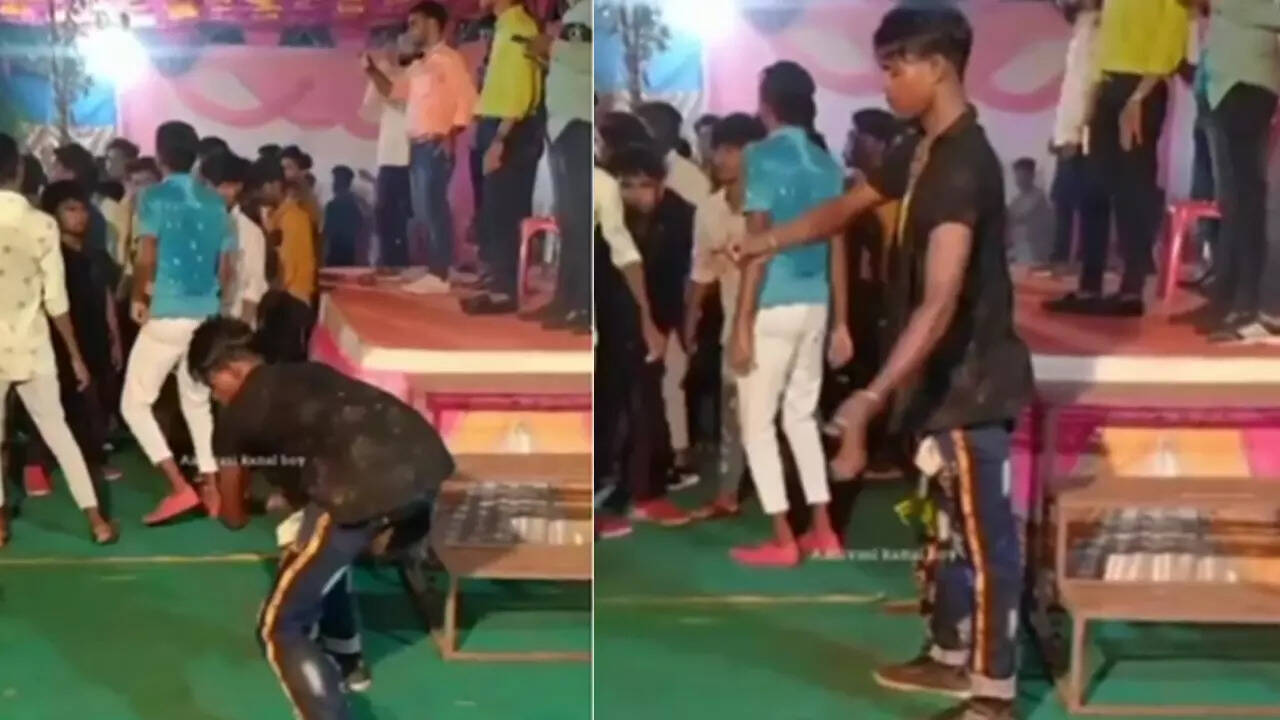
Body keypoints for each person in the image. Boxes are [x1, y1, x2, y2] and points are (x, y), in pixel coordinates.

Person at [734, 8, 1033, 718]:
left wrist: (871, 395)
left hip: (971, 384)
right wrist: (765, 242)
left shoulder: (964, 163)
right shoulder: (919, 148)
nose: (887, 83)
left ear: (939, 67)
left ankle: (994, 692)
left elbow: (940, 300)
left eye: (896, 69)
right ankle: (948, 654)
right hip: (934, 384)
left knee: (984, 541)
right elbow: (845, 209)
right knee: (941, 531)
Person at [189, 315, 455, 718]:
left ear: (228, 369)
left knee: (280, 627)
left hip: (362, 489)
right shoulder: (309, 372)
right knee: (318, 547)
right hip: (427, 467)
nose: (216, 397)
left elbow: (233, 517)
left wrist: (224, 499)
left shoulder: (235, 418)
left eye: (213, 386)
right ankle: (348, 663)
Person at [722, 62, 845, 568]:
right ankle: (824, 531)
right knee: (801, 417)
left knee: (757, 423)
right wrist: (842, 321)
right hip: (816, 302)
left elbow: (758, 243)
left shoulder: (761, 155)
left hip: (772, 302)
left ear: (766, 104)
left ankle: (783, 538)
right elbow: (837, 244)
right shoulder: (826, 162)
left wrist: (741, 322)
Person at [0, 134, 116, 547]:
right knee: (59, 432)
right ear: (18, 170)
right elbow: (56, 301)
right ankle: (95, 518)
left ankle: (0, 522)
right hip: (34, 346)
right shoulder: (43, 224)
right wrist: (76, 356)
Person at [121, 120, 237, 525]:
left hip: (167, 312)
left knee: (134, 404)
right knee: (197, 402)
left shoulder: (153, 198)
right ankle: (212, 489)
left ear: (160, 155)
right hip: (205, 314)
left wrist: (139, 297)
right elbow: (226, 269)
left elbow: (147, 256)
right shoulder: (215, 203)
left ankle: (179, 487)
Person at [1045, 0, 1189, 317]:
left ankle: (1131, 290)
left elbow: (1171, 36)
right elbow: (1107, 35)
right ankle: (1089, 285)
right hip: (1106, 83)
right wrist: (1094, 96)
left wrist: (1138, 97)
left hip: (1143, 86)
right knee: (1092, 187)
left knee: (1132, 189)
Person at [603, 144, 694, 527]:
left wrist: (666, 328)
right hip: (611, 320)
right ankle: (619, 493)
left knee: (645, 403)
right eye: (627, 185)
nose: (637, 195)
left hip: (653, 321)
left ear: (660, 184)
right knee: (619, 405)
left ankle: (643, 491)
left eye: (645, 185)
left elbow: (679, 279)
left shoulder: (678, 216)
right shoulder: (607, 214)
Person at [683, 113, 766, 520]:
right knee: (733, 414)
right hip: (735, 326)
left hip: (778, 325)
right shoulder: (709, 210)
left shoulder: (774, 206)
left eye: (732, 150)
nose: (720, 158)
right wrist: (690, 323)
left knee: (787, 415)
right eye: (718, 149)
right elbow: (701, 273)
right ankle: (728, 494)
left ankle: (798, 498)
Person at [364, 1, 478, 283]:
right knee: (424, 211)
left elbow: (467, 102)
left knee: (434, 207)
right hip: (415, 146)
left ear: (432, 24)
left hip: (435, 143)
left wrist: (450, 137)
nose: (410, 30)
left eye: (414, 23)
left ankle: (440, 274)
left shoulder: (449, 60)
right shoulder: (419, 64)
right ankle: (434, 272)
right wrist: (372, 71)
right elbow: (394, 92)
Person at [1197, 0, 1280, 343]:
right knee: (1237, 202)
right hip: (1227, 86)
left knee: (1248, 200)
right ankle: (1239, 303)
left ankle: (1256, 309)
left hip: (1248, 84)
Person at [35, 181, 124, 492]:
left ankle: (92, 458)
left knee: (94, 400)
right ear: (53, 214)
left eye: (83, 208)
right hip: (61, 338)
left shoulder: (96, 255)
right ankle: (49, 463)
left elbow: (106, 296)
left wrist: (114, 335)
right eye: (70, 209)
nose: (80, 216)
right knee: (62, 402)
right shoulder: (51, 256)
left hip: (95, 335)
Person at [462, 0, 546, 315]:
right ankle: (497, 281)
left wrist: (500, 139)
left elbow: (520, 91)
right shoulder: (506, 25)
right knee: (496, 208)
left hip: (511, 127)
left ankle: (504, 290)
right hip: (501, 124)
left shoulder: (516, 26)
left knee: (505, 208)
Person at [528, 0, 592, 331]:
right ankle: (567, 298)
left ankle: (584, 304)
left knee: (580, 220)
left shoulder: (588, 12)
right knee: (569, 221)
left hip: (577, 124)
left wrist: (551, 47)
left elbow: (587, 59)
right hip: (563, 126)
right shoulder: (574, 14)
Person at [1046, 0, 1109, 275]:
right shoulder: (1082, 28)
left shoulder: (1098, 28)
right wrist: (1059, 131)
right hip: (1069, 129)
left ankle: (1083, 262)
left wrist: (1079, 129)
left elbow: (1092, 85)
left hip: (1083, 131)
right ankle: (1062, 257)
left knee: (1084, 199)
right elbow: (1071, 89)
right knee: (1063, 196)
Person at [359, 36, 413, 269]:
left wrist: (376, 73)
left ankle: (402, 263)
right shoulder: (386, 74)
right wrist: (379, 73)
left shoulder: (416, 75)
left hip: (408, 156)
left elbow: (396, 97)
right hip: (387, 156)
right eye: (389, 48)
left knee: (403, 217)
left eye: (398, 47)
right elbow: (369, 111)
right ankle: (388, 262)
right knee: (384, 215)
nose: (391, 53)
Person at [202, 152, 267, 327]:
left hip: (232, 322)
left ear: (238, 187)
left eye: (226, 186)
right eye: (211, 186)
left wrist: (240, 331)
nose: (218, 192)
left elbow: (253, 289)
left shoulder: (249, 231)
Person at [254, 158, 318, 308]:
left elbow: (289, 267)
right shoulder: (278, 216)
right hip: (285, 297)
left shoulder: (294, 218)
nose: (259, 195)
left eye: (261, 189)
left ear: (275, 185)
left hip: (293, 299)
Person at [1007, 157, 1054, 267]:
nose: (1019, 180)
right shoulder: (1016, 200)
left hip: (1036, 252)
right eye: (1017, 176)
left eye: (1022, 175)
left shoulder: (1039, 197)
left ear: (1031, 175)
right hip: (1019, 251)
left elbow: (1022, 214)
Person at [323, 166, 365, 268]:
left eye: (335, 180)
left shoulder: (333, 205)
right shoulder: (355, 205)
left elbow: (327, 231)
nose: (333, 184)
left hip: (335, 254)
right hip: (349, 254)